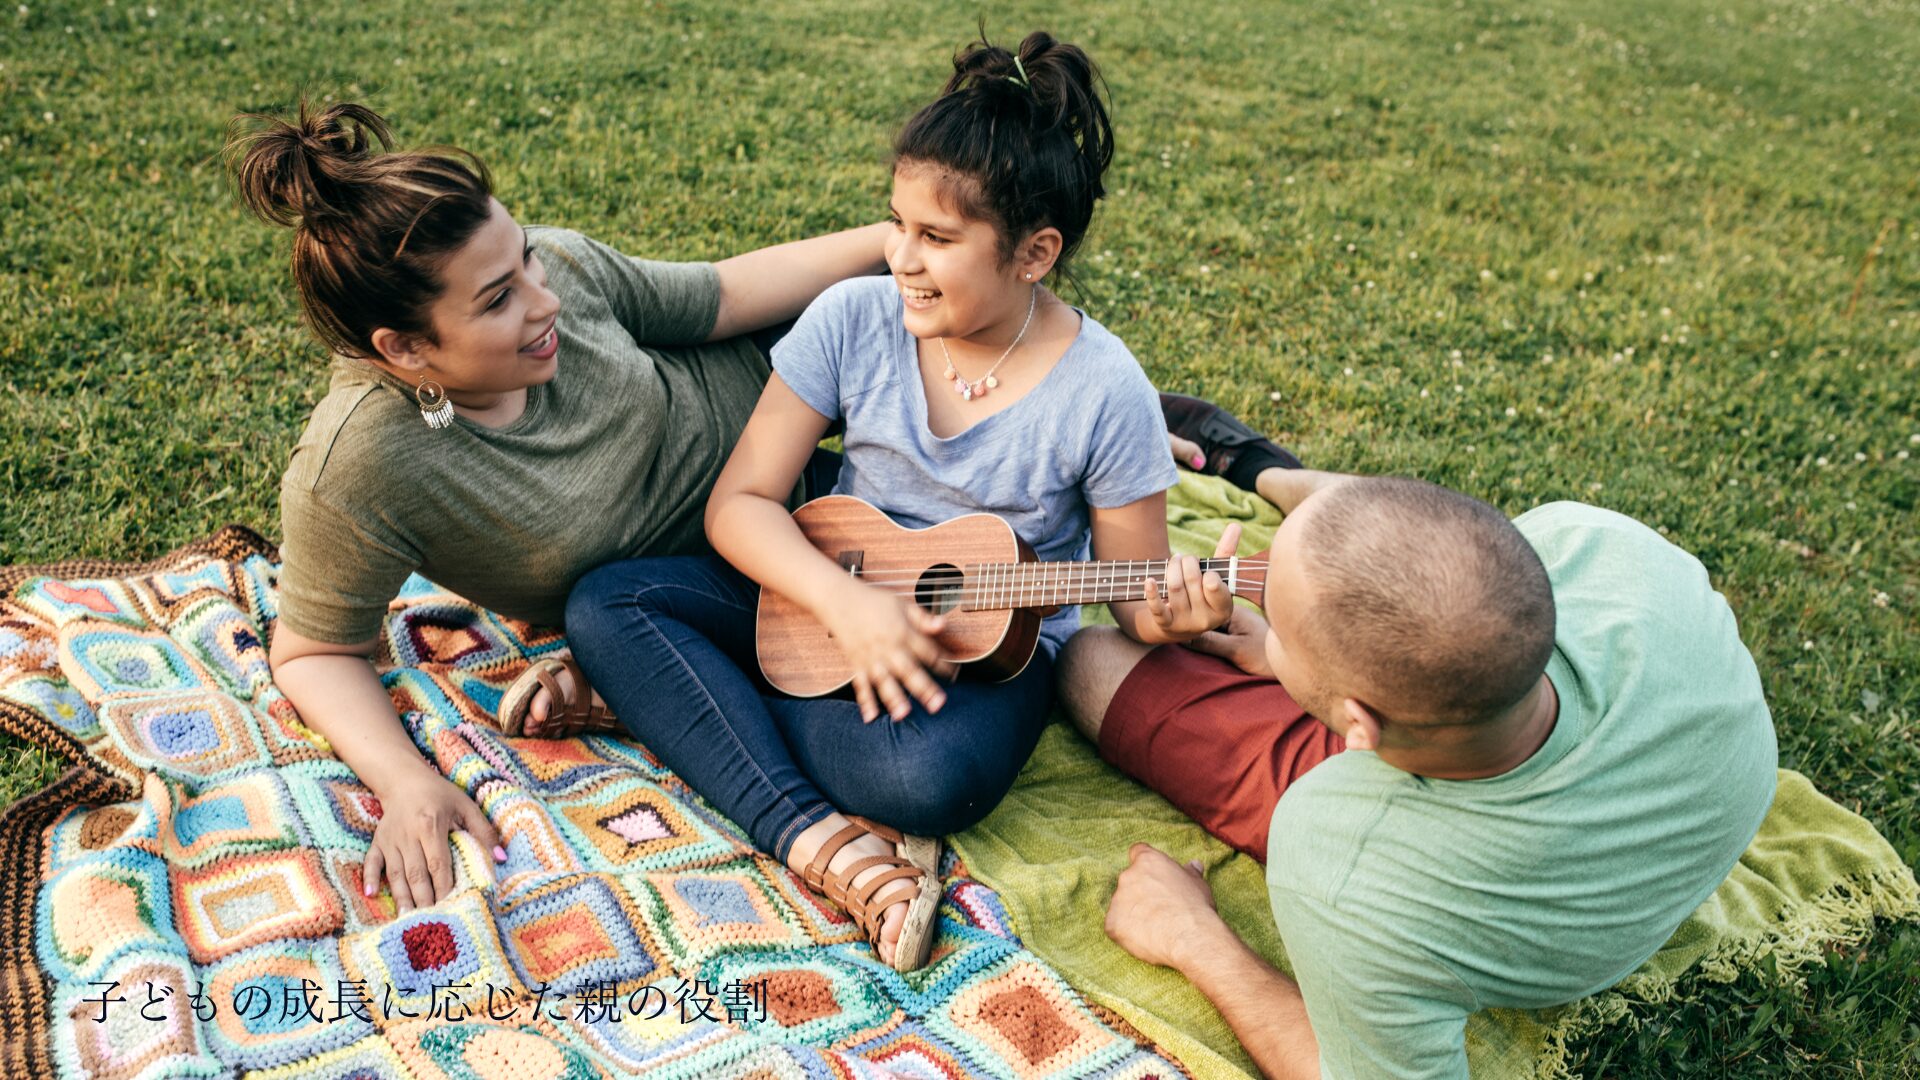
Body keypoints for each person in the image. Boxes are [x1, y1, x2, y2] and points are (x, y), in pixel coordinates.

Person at [564, 31, 1237, 973]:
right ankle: (806, 824)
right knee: (608, 602)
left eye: (938, 239)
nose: (902, 258)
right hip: (820, 593)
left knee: (926, 781)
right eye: (896, 225)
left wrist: (1172, 614)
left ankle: (687, 704)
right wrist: (847, 604)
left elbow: (1132, 592)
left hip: (981, 663)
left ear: (1034, 254)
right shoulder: (853, 317)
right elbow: (742, 504)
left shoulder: (1105, 389)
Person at [231, 101, 901, 916]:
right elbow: (312, 652)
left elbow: (723, 296)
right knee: (907, 747)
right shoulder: (366, 464)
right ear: (403, 350)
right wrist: (407, 784)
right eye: (497, 300)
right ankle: (669, 708)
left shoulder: (563, 280)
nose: (543, 301)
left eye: (528, 261)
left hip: (788, 425)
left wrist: (898, 244)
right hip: (703, 582)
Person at [1057, 412, 1779, 1079]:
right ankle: (1272, 476)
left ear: (1355, 728)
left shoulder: (1343, 859)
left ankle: (1281, 486)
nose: (1249, 601)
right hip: (1649, 832)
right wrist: (1296, 656)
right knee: (1404, 549)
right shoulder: (1603, 545)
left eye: (1271, 615)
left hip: (1513, 895)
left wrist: (1194, 938)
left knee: (1091, 663)